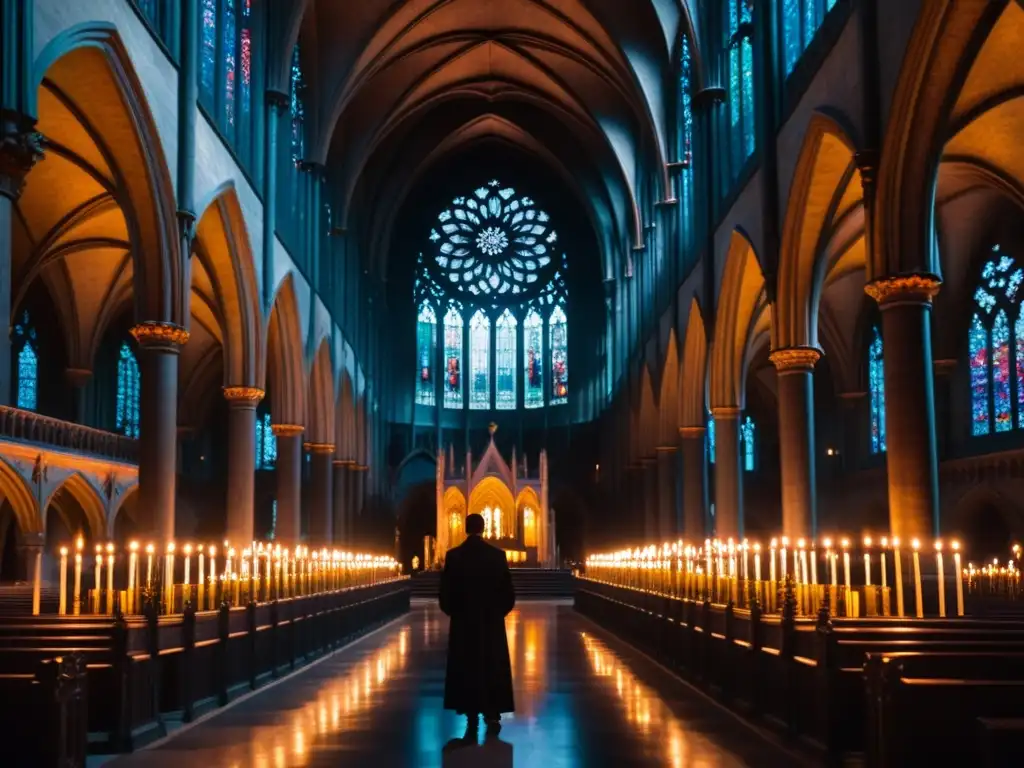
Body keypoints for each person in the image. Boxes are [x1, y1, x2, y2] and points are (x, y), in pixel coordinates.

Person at [439, 512, 516, 738]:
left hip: (464, 624)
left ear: (465, 529)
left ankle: (470, 715)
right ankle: (492, 713)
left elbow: (445, 595)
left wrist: (457, 613)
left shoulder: (454, 556)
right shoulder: (497, 555)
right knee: (491, 665)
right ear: (484, 529)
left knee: (467, 666)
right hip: (491, 624)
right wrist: (495, 614)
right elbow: (508, 594)